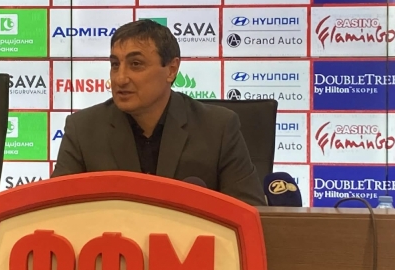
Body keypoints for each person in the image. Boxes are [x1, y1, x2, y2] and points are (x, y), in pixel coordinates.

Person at [52, 19, 266, 206]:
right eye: (115, 65)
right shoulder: (83, 129)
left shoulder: (218, 127)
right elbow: (55, 210)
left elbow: (250, 214)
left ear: (171, 70)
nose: (120, 78)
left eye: (136, 64)